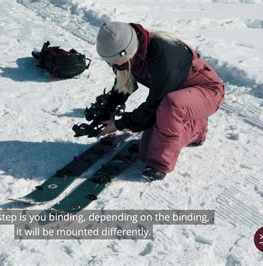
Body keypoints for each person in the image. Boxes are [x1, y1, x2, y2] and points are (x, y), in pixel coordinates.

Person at [95, 21, 225, 181]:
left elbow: (154, 104)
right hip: (176, 96)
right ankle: (189, 126)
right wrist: (106, 111)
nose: (111, 65)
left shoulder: (163, 54)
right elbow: (124, 86)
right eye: (108, 61)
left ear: (127, 52)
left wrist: (120, 124)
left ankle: (167, 158)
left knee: (171, 105)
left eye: (114, 61)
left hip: (208, 92)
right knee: (145, 153)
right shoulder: (128, 56)